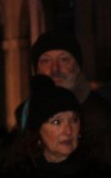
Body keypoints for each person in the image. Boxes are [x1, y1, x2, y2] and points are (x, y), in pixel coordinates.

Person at [30, 30, 111, 163]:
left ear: (78, 67)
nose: (54, 69)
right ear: (36, 70)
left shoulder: (98, 117)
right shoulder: (30, 112)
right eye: (45, 61)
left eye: (64, 60)